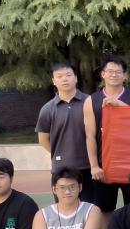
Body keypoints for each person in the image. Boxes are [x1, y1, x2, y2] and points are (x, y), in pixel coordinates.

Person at [84, 55, 130, 229]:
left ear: (125, 75)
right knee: (105, 209)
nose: (114, 75)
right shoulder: (91, 100)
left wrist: (120, 106)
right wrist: (94, 166)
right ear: (103, 74)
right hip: (105, 164)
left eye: (118, 72)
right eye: (110, 71)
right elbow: (90, 135)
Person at [36, 62, 94, 203]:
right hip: (61, 169)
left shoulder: (90, 102)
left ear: (76, 78)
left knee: (90, 208)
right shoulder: (47, 109)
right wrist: (60, 153)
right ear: (54, 81)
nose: (64, 79)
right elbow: (43, 139)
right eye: (59, 76)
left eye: (68, 75)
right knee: (64, 207)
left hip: (89, 167)